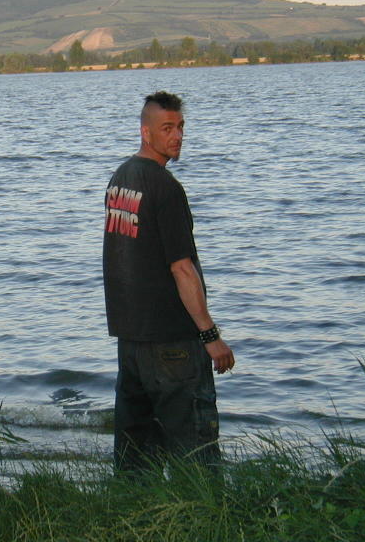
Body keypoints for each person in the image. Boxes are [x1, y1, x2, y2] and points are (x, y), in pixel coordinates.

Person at [103, 91, 234, 472]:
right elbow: (182, 268)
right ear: (146, 132)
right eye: (167, 128)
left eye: (180, 127)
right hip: (172, 343)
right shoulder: (165, 187)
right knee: (196, 457)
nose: (176, 136)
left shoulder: (120, 179)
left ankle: (134, 521)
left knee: (135, 457)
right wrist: (211, 336)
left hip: (132, 342)